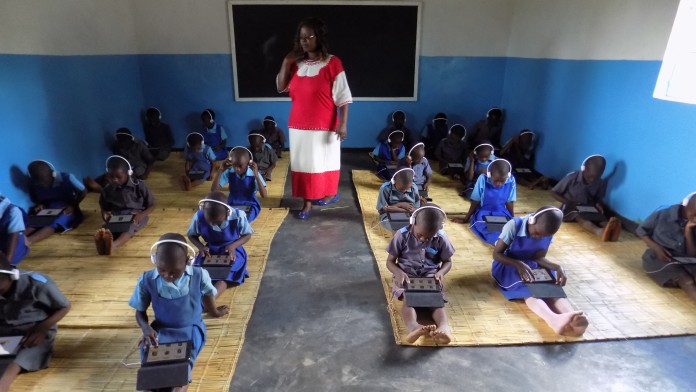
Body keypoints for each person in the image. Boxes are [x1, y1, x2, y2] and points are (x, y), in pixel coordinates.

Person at [129, 234, 229, 391]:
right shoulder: (146, 280)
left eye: (175, 271)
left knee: (180, 370)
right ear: (155, 260)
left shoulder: (199, 275)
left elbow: (209, 295)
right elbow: (140, 311)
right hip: (160, 330)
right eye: (162, 270)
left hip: (190, 329)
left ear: (188, 261)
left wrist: (215, 312)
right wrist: (146, 328)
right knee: (150, 370)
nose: (168, 275)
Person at [276, 17, 352, 219]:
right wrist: (286, 62)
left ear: (320, 38)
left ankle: (327, 194)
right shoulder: (296, 63)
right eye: (301, 37)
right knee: (303, 164)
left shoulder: (333, 63)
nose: (305, 41)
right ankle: (307, 203)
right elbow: (281, 87)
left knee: (323, 163)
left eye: (309, 36)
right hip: (299, 126)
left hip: (325, 125)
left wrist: (343, 123)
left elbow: (343, 97)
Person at [492, 206, 589, 336]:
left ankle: (572, 316)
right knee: (530, 291)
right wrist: (518, 264)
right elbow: (497, 254)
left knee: (549, 288)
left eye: (542, 236)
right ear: (532, 220)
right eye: (537, 233)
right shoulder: (514, 225)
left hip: (532, 264)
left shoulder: (547, 232)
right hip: (509, 265)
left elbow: (539, 257)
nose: (537, 237)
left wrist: (556, 267)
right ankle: (553, 319)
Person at [0, 256, 70, 391]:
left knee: (19, 361)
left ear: (12, 276)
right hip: (5, 333)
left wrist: (43, 327)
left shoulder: (37, 284)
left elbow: (64, 307)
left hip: (33, 332)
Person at [386, 206, 454, 344]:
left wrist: (441, 272)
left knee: (435, 300)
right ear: (413, 222)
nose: (423, 239)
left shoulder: (441, 237)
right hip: (406, 274)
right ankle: (413, 327)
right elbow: (390, 262)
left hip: (430, 275)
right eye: (420, 235)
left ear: (439, 229)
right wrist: (399, 272)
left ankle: (444, 326)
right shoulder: (402, 235)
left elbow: (448, 262)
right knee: (408, 298)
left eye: (428, 237)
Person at [187, 192, 252, 298]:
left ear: (227, 212)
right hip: (210, 249)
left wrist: (233, 246)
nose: (213, 224)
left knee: (226, 273)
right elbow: (191, 235)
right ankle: (197, 295)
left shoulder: (238, 215)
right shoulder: (199, 216)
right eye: (209, 221)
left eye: (217, 221)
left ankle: (210, 300)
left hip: (231, 249)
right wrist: (201, 247)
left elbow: (247, 235)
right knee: (198, 271)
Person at [637, 192, 696, 302]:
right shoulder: (663, 213)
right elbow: (641, 230)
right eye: (693, 215)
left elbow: (691, 254)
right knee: (687, 282)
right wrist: (656, 247)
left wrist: (688, 230)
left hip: (685, 260)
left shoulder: (693, 224)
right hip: (660, 257)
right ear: (686, 205)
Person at [93, 155, 156, 255]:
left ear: (128, 173)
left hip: (136, 214)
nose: (115, 180)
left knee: (130, 227)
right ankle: (105, 242)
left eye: (118, 177)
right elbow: (104, 206)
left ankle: (113, 246)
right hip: (117, 215)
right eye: (111, 177)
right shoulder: (108, 189)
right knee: (108, 227)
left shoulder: (139, 186)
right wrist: (104, 213)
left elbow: (152, 205)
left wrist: (141, 215)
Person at [550, 154, 621, 242]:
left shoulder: (600, 182)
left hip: (588, 206)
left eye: (596, 177)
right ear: (585, 169)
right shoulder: (572, 178)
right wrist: (568, 202)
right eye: (590, 177)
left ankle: (609, 228)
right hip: (571, 207)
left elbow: (598, 198)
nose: (592, 180)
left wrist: (598, 204)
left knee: (599, 216)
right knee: (581, 217)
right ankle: (599, 231)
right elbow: (553, 192)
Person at [453, 159, 516, 245]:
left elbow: (509, 202)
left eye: (502, 181)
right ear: (490, 174)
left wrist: (513, 218)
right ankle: (501, 244)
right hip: (483, 213)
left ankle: (508, 244)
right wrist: (466, 218)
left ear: (508, 176)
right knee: (490, 232)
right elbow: (476, 200)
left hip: (502, 213)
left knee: (511, 230)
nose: (499, 184)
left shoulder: (511, 180)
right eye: (496, 180)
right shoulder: (483, 179)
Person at [25, 160, 87, 245]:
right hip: (49, 208)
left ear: (52, 174)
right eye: (41, 183)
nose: (45, 185)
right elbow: (37, 197)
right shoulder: (34, 183)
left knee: (56, 222)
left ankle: (28, 241)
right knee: (36, 221)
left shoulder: (67, 177)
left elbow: (84, 191)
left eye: (47, 182)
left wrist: (73, 205)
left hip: (67, 207)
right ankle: (15, 240)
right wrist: (39, 204)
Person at [211, 147, 267, 223]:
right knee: (223, 219)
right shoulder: (229, 172)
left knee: (242, 221)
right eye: (234, 165)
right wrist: (220, 170)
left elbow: (264, 195)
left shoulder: (254, 173)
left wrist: (256, 176)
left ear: (249, 163)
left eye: (240, 166)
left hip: (250, 204)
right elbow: (214, 191)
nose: (237, 169)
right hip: (232, 204)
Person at [0, 195, 29, 265]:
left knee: (12, 259)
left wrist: (7, 263)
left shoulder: (13, 211)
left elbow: (14, 237)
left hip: (10, 243)